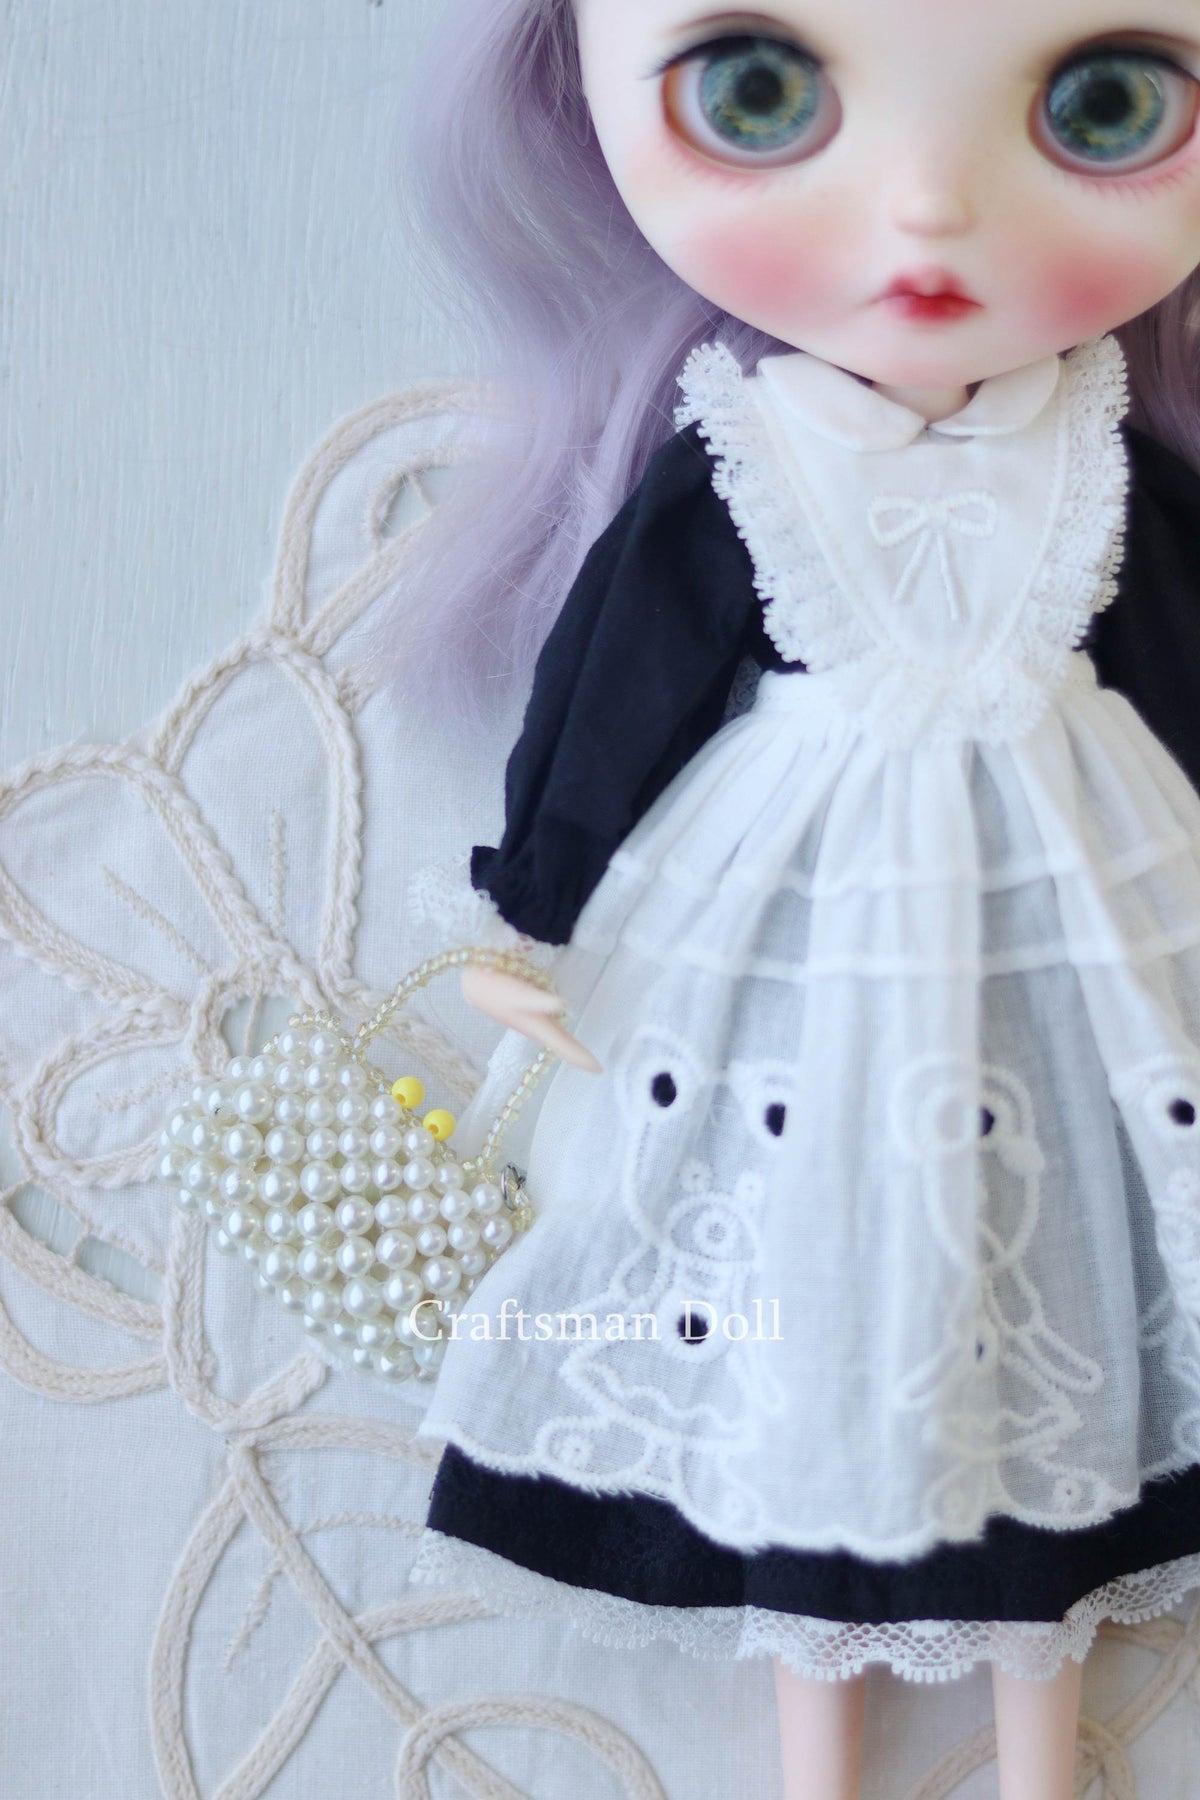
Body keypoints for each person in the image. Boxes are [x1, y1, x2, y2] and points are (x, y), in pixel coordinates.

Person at [370, 2, 1200, 1793]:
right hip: (796, 954)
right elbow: (618, 691)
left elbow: (1187, 679)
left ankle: (1043, 1748)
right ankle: (815, 1749)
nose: (929, 211)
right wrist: (537, 908)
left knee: (1055, 1292)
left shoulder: (1104, 458)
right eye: (760, 91)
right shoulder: (747, 452)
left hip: (1068, 947)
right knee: (809, 1297)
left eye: (1107, 100)